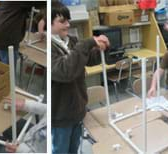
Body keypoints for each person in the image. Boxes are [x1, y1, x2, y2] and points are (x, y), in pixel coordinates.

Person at [51, 1, 110, 153]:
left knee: (74, 148)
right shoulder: (48, 48)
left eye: (68, 20)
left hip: (77, 109)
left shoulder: (72, 41)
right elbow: (66, 71)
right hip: (61, 115)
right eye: (62, 21)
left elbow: (89, 59)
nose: (68, 25)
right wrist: (88, 42)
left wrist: (101, 48)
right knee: (61, 149)